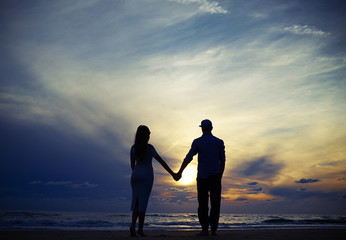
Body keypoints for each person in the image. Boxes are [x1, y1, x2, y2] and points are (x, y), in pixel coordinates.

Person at [176, 119, 226, 236]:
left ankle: (204, 229)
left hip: (202, 177)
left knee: (203, 203)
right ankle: (213, 229)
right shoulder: (219, 142)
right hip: (215, 176)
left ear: (202, 129)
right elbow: (222, 161)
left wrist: (180, 172)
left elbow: (188, 157)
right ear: (211, 128)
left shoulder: (197, 142)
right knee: (215, 203)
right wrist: (220, 175)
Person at [130, 125, 177, 237]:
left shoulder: (133, 148)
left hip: (135, 174)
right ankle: (140, 229)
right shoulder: (150, 148)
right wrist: (173, 174)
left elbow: (132, 165)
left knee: (136, 201)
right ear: (146, 136)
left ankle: (132, 225)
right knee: (143, 202)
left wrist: (137, 172)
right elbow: (162, 162)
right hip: (146, 175)